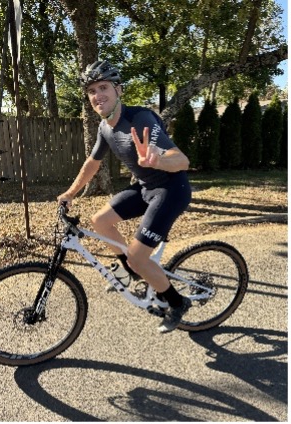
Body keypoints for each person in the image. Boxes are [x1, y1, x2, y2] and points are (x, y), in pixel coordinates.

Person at [57, 60, 192, 333]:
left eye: (104, 87)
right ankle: (130, 270)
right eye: (92, 91)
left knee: (138, 255)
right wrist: (70, 193)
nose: (98, 95)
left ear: (119, 90)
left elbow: (181, 160)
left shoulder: (141, 119)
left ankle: (177, 302)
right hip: (145, 188)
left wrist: (157, 161)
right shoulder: (105, 128)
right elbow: (92, 164)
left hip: (170, 190)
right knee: (101, 221)